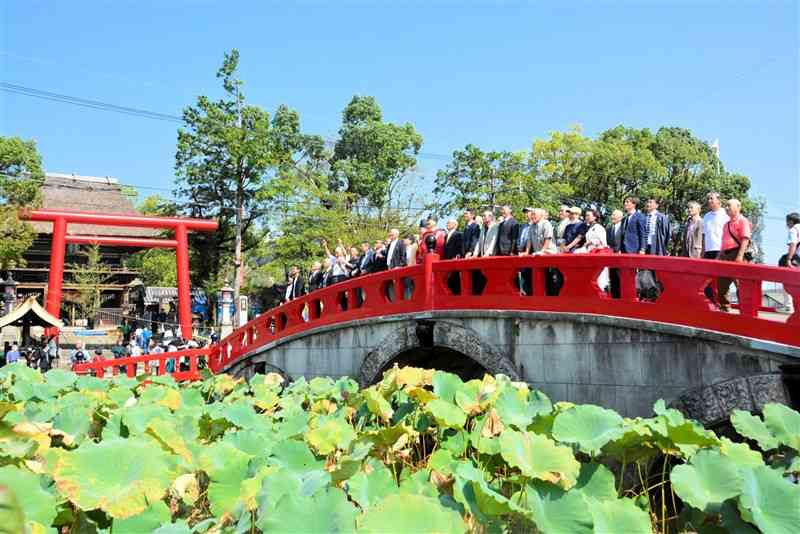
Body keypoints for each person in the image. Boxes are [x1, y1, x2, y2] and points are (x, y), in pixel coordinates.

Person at [716, 199, 752, 312]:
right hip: (725, 255)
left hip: (737, 253)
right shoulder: (726, 224)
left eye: (729, 205)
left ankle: (745, 309)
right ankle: (725, 307)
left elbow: (745, 239)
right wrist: (719, 256)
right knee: (722, 282)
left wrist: (740, 256)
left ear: (738, 207)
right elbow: (724, 241)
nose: (726, 208)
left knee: (740, 284)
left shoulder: (742, 220)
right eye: (726, 206)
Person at [702, 192, 729, 260]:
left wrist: (724, 251)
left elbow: (728, 234)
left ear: (719, 200)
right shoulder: (706, 216)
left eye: (711, 199)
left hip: (720, 250)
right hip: (707, 252)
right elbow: (704, 235)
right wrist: (703, 251)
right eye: (708, 199)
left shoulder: (726, 214)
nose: (709, 201)